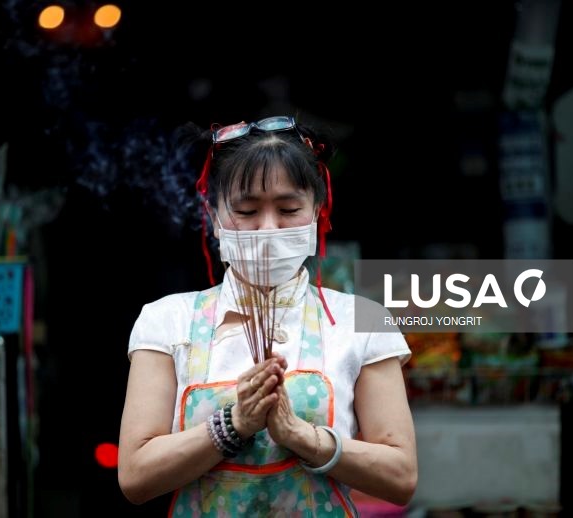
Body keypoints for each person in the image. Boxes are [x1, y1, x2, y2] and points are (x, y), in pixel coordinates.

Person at [118, 115, 417, 516]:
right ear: (214, 217)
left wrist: (303, 437)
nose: (268, 228)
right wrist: (233, 424)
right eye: (246, 211)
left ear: (317, 211)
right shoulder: (166, 320)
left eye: (289, 208)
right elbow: (136, 477)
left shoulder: (362, 320)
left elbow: (400, 478)